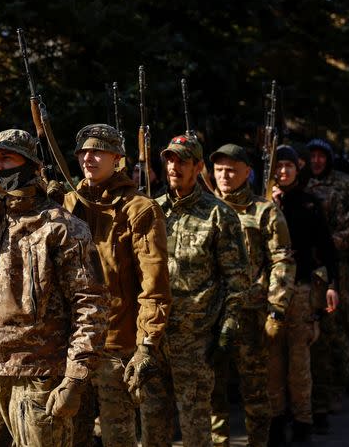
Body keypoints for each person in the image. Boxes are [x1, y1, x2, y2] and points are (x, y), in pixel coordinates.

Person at [0, 129, 109, 447]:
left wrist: (75, 377)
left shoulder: (62, 227)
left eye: (6, 158)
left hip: (36, 377)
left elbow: (90, 305)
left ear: (30, 165)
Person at [128, 135, 250, 447]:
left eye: (182, 160)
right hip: (154, 338)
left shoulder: (219, 214)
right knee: (153, 427)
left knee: (196, 428)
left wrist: (227, 329)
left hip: (196, 340)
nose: (174, 166)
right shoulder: (152, 211)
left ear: (198, 167)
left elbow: (236, 279)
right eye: (169, 159)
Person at [63, 124, 171, 447]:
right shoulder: (68, 202)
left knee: (117, 436)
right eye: (83, 151)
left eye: (97, 151)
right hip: (72, 345)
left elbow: (154, 284)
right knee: (71, 436)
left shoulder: (140, 209)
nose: (88, 157)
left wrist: (147, 344)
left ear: (117, 158)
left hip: (117, 345)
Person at [209, 144, 296, 447]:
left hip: (251, 315)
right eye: (219, 169)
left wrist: (277, 309)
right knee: (214, 393)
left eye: (232, 169)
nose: (224, 175)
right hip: (212, 316)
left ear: (247, 172)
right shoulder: (205, 208)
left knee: (256, 394)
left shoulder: (264, 210)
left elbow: (282, 260)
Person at [267, 145, 338, 443]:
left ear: (298, 168)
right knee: (272, 363)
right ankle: (275, 421)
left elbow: (326, 248)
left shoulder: (309, 203)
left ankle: (303, 420)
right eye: (278, 166)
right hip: (270, 292)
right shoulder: (263, 205)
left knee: (299, 363)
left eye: (289, 166)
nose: (283, 172)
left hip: (301, 290)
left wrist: (332, 284)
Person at [303, 138, 349, 431]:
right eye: (312, 156)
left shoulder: (346, 184)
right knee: (314, 332)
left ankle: (345, 380)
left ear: (328, 158)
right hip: (307, 269)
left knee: (337, 327)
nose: (316, 161)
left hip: (338, 266)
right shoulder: (300, 183)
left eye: (321, 156)